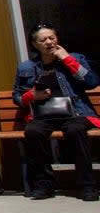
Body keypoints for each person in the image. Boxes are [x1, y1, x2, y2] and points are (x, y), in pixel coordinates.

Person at [12, 24, 98, 201]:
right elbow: (17, 96)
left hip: (76, 113)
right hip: (44, 115)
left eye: (52, 37)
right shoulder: (26, 67)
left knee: (75, 130)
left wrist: (66, 59)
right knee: (33, 131)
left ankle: (87, 185)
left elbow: (91, 82)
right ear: (35, 44)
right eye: (43, 40)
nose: (49, 42)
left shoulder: (74, 58)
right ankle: (45, 184)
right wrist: (31, 96)